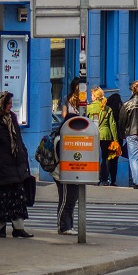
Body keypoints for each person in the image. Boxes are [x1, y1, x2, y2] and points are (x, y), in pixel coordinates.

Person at [0, 91, 33, 238]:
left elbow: (18, 140)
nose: (10, 107)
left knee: (18, 196)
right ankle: (1, 228)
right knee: (1, 196)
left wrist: (24, 156)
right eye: (8, 104)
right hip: (1, 165)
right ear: (1, 104)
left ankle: (18, 228)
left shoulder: (12, 117)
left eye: (11, 104)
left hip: (16, 163)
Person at [56, 86, 82, 234]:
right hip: (64, 173)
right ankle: (63, 226)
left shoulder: (69, 137)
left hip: (73, 172)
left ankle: (68, 225)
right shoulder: (62, 138)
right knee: (66, 199)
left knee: (72, 199)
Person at [86, 86, 118, 186]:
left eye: (92, 95)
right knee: (105, 158)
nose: (91, 96)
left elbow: (85, 122)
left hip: (93, 135)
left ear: (95, 97)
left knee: (94, 157)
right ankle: (105, 179)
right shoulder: (107, 108)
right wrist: (115, 139)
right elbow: (112, 124)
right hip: (106, 135)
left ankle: (94, 178)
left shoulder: (89, 107)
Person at [104, 91, 124, 186]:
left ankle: (105, 178)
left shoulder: (107, 110)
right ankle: (113, 180)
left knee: (107, 158)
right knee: (114, 160)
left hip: (107, 137)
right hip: (117, 138)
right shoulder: (121, 111)